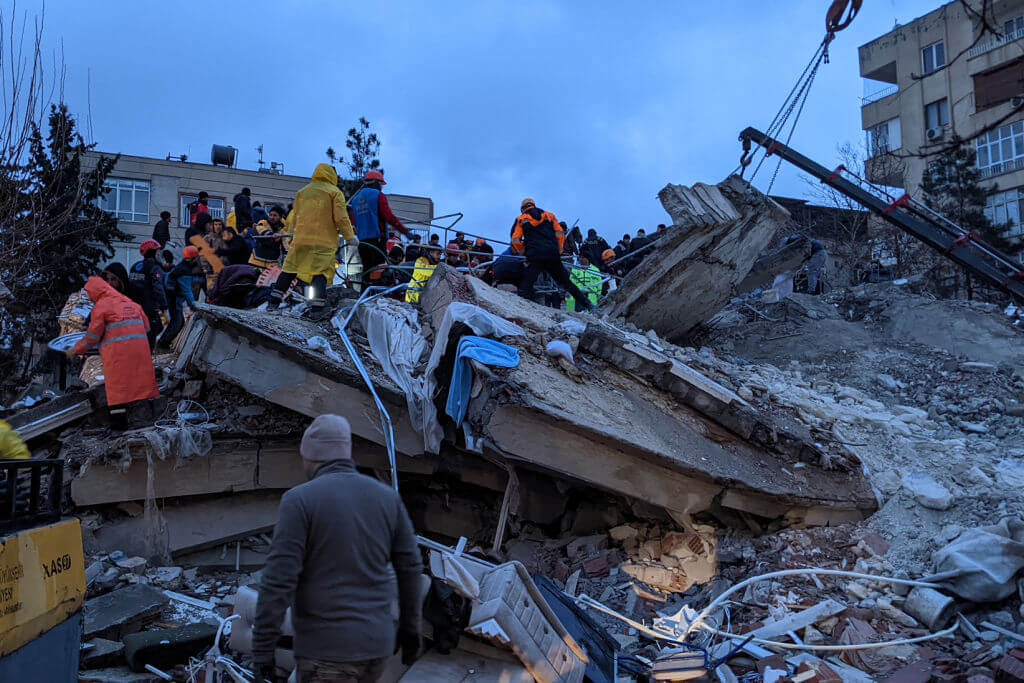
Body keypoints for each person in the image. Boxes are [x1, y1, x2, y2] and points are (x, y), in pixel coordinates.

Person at [253, 414, 422, 683]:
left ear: (311, 456)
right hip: (376, 647)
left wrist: (262, 650)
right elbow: (411, 568)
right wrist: (411, 631)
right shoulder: (387, 497)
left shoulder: (299, 501)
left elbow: (278, 581)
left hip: (327, 652)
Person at [269, 164, 356, 309]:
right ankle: (317, 308)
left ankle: (273, 302)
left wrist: (288, 237)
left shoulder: (302, 192)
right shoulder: (334, 192)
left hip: (301, 240)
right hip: (323, 242)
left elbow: (294, 217)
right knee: (319, 273)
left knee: (290, 270)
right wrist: (350, 237)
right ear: (332, 176)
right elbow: (341, 218)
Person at [67, 276, 160, 410]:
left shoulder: (101, 307)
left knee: (118, 392)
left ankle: (119, 423)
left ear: (95, 292)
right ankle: (144, 415)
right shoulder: (131, 303)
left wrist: (75, 350)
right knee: (142, 386)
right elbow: (147, 328)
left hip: (118, 356)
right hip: (141, 355)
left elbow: (92, 337)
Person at [511, 198, 593, 311]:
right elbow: (560, 234)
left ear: (523, 208)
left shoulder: (521, 219)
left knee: (528, 282)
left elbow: (515, 239)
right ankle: (588, 305)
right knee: (566, 282)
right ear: (533, 205)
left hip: (535, 255)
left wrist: (524, 252)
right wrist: (558, 250)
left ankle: (520, 309)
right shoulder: (549, 215)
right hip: (552, 254)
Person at [349, 170, 409, 282]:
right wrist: (405, 232)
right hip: (377, 242)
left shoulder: (356, 200)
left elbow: (354, 222)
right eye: (381, 184)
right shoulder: (378, 196)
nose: (381, 187)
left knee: (366, 271)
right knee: (378, 273)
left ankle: (364, 295)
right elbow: (389, 217)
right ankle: (375, 297)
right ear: (376, 182)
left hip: (362, 243)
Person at [128, 239, 168, 346]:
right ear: (152, 252)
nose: (159, 254)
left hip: (133, 306)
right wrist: (164, 304)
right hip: (148, 306)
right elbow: (158, 287)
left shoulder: (135, 266)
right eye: (157, 251)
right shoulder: (154, 268)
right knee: (155, 328)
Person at [159, 246, 199, 349]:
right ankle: (163, 344)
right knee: (178, 322)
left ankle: (163, 342)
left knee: (176, 321)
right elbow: (187, 290)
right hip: (174, 299)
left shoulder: (181, 267)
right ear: (193, 258)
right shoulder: (185, 271)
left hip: (171, 297)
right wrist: (193, 305)